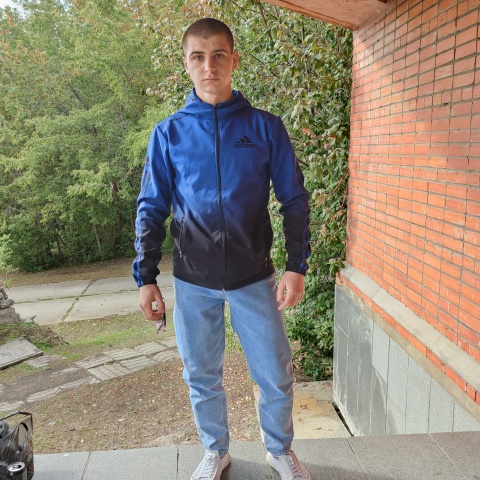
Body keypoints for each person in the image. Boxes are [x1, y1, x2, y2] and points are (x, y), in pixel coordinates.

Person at [133, 18, 312, 480]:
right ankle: (216, 451)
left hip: (255, 277)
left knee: (275, 372)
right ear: (186, 64)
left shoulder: (265, 127)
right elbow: (151, 207)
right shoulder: (168, 134)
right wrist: (146, 276)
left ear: (234, 60)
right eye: (198, 57)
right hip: (193, 281)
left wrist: (296, 266)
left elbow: (294, 199)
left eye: (218, 55)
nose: (208, 66)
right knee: (201, 374)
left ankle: (279, 450)